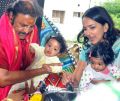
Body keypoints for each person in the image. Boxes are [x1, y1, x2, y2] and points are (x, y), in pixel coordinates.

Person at [0, 0, 52, 100]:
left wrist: (31, 85)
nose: (27, 31)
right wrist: (40, 71)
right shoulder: (1, 36)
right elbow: (2, 78)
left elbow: (31, 65)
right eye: (23, 25)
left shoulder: (33, 31)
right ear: (11, 16)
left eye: (31, 26)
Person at [62, 6, 120, 86]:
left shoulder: (118, 47)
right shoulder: (88, 47)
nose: (87, 33)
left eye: (92, 27)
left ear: (105, 27)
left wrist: (106, 84)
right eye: (85, 29)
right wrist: (68, 78)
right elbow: (76, 82)